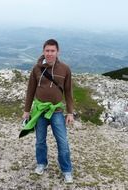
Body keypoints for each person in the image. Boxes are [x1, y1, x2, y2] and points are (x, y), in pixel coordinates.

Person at [22, 39, 74, 183]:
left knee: (62, 142)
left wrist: (70, 112)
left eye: (52, 51)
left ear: (58, 52)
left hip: (56, 110)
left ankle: (67, 170)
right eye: (47, 51)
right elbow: (30, 91)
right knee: (40, 141)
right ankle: (41, 163)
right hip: (39, 111)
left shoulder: (65, 69)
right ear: (43, 51)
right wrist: (27, 110)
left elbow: (69, 92)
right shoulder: (36, 69)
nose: (50, 53)